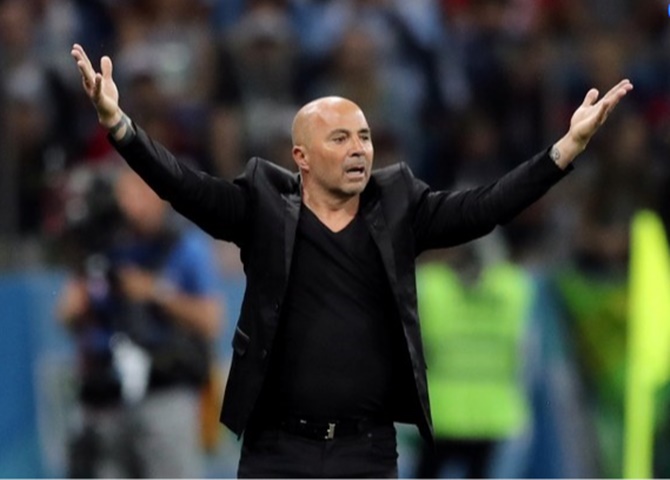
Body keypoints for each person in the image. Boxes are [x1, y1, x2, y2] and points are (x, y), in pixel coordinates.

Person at [70, 42, 632, 478]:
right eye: (340, 139)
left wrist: (563, 152)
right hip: (276, 453)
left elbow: (485, 208)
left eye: (363, 137)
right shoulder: (260, 209)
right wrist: (121, 127)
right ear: (302, 158)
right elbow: (181, 185)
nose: (359, 149)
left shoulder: (400, 209)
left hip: (366, 453)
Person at [57, 163, 223, 478]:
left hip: (165, 392)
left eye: (142, 192)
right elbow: (66, 314)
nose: (132, 202)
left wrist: (155, 293)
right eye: (126, 192)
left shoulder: (184, 246)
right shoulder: (105, 248)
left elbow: (212, 321)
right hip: (105, 400)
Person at [413, 237, 536, 478]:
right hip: (493, 412)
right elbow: (526, 352)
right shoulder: (516, 288)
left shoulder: (429, 286)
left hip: (442, 411)